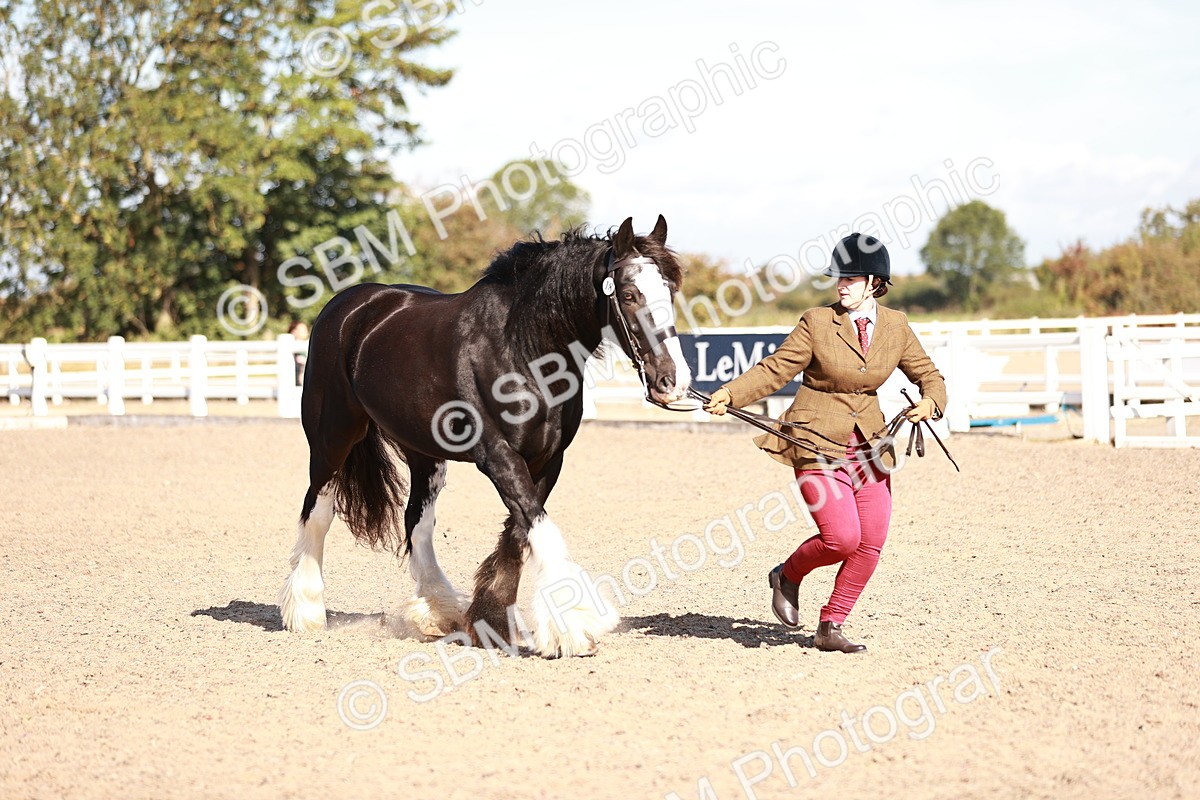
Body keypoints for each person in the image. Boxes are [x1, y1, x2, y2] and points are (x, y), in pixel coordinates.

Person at [704, 233, 946, 654]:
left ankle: (831, 624)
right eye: (838, 278)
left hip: (870, 448)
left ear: (874, 282)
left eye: (850, 279)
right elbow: (775, 369)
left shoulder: (897, 326)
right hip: (815, 442)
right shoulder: (817, 322)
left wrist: (930, 401)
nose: (840, 285)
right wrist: (731, 393)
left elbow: (929, 375)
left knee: (870, 543)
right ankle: (787, 575)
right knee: (841, 539)